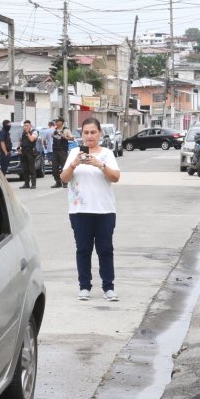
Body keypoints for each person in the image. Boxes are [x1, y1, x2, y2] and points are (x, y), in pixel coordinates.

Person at [60, 117, 121, 301]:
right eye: (86, 132)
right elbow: (64, 178)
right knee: (83, 249)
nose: (89, 136)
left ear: (100, 133)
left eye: (93, 132)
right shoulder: (74, 153)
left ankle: (108, 287)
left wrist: (100, 165)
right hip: (79, 212)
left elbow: (115, 177)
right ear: (82, 134)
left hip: (105, 211)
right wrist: (74, 164)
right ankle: (84, 286)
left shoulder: (107, 154)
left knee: (105, 250)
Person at [18, 120, 40, 189]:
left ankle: (33, 184)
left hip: (30, 152)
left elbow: (31, 139)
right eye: (25, 126)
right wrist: (19, 148)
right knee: (25, 169)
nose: (26, 127)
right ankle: (26, 183)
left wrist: (28, 133)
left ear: (30, 125)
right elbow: (21, 141)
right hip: (24, 152)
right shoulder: (23, 133)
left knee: (31, 169)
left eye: (27, 125)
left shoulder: (34, 132)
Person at [51, 118, 70, 188]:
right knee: (54, 168)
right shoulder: (55, 130)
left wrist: (65, 137)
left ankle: (65, 182)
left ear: (61, 122)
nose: (55, 122)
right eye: (55, 121)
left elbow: (72, 138)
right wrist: (54, 134)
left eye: (57, 121)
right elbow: (53, 137)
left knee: (63, 167)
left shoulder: (66, 130)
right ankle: (58, 182)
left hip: (63, 151)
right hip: (55, 150)